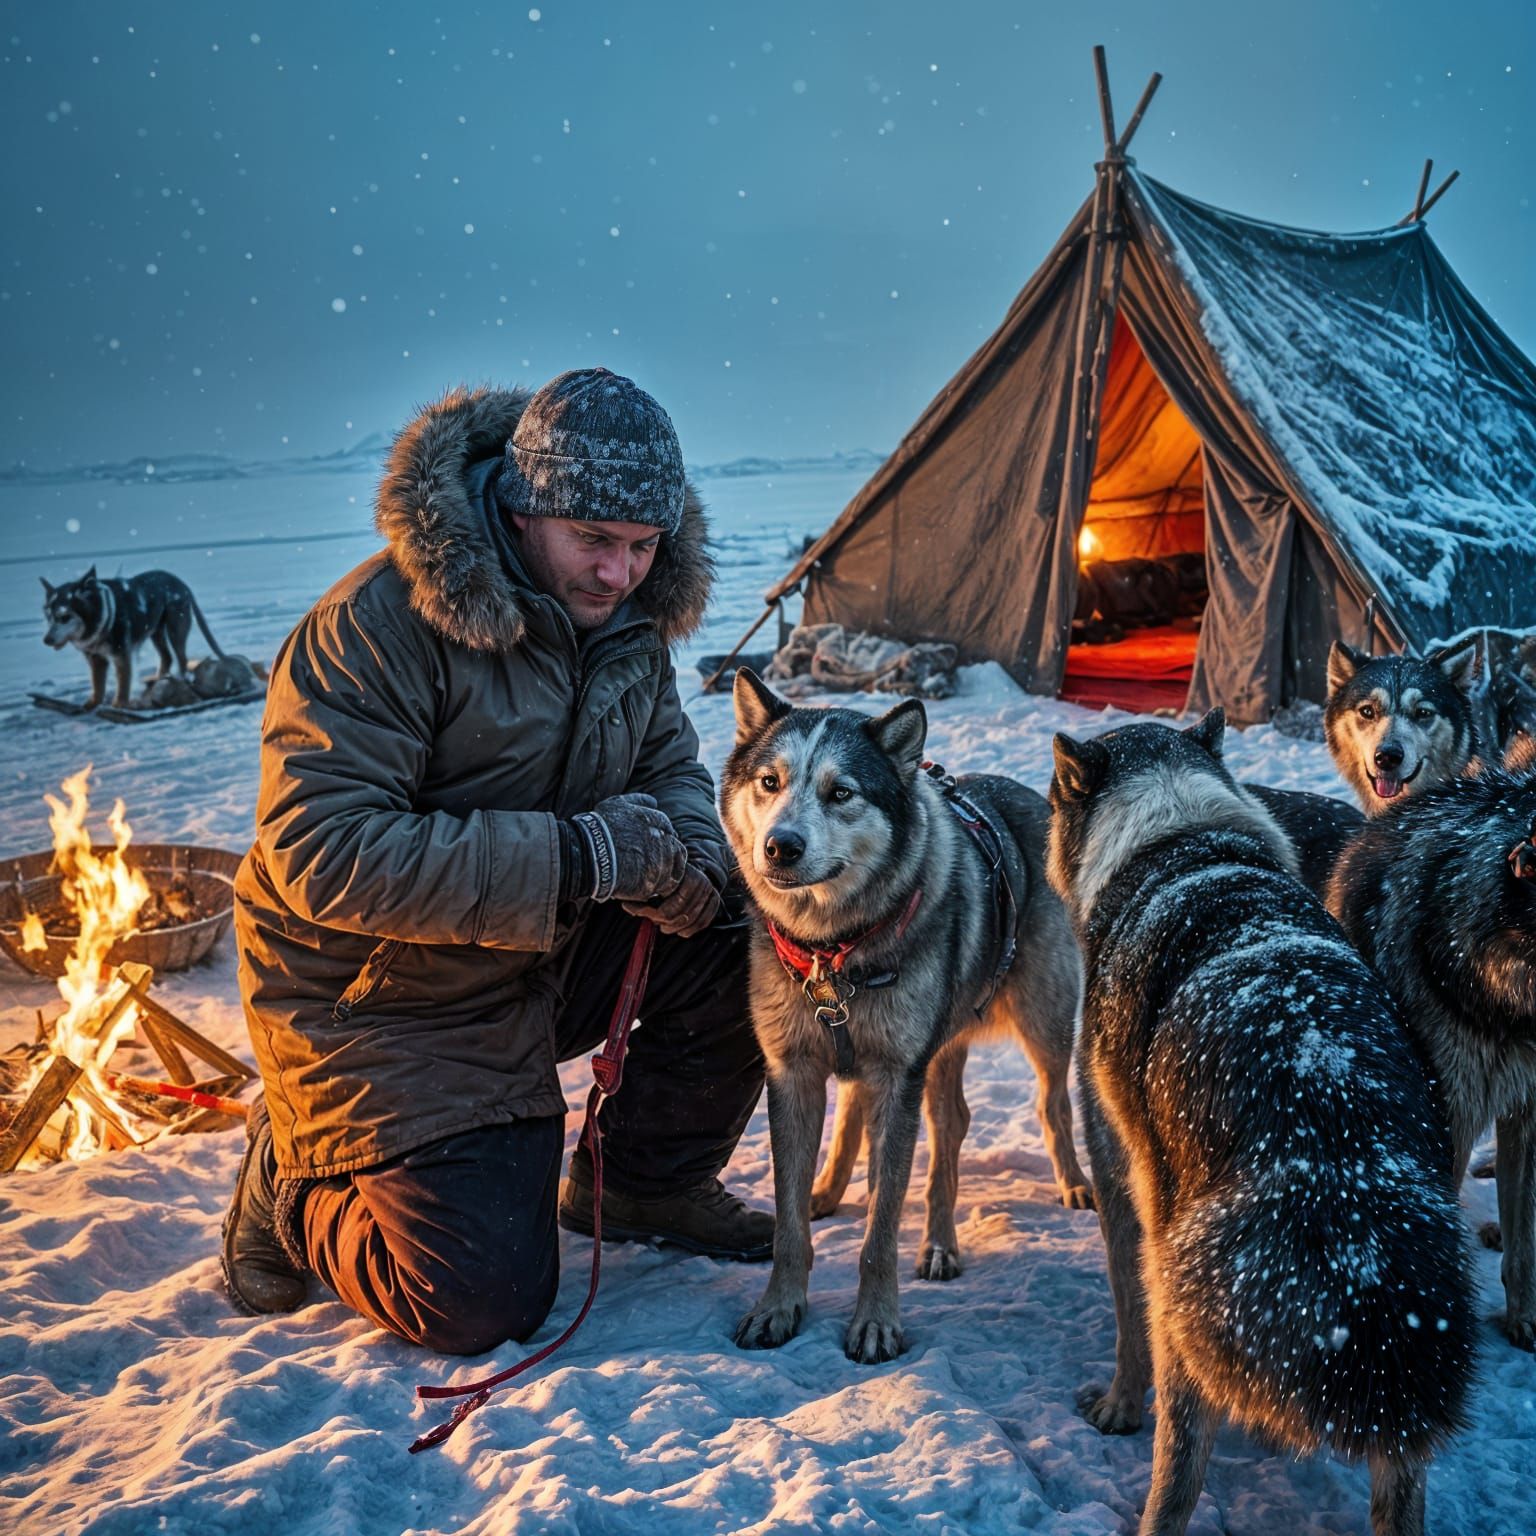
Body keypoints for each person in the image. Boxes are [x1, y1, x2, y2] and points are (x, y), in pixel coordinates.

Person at [223, 369, 770, 1355]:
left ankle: (648, 1184)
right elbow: (320, 851)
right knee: (477, 1301)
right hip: (379, 993)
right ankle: (292, 1171)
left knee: (751, 933)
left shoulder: (627, 629)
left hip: (538, 952)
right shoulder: (375, 627)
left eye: (644, 547)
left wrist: (690, 859)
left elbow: (671, 767)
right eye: (595, 542)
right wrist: (581, 854)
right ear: (522, 511)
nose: (619, 574)